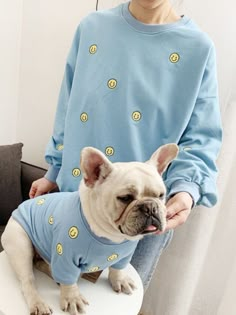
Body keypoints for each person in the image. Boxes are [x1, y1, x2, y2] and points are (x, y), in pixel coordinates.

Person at [29, 0, 222, 291]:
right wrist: (53, 171)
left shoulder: (198, 48)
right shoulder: (92, 28)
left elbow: (201, 138)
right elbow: (70, 108)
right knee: (60, 295)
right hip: (72, 203)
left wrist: (186, 191)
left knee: (116, 304)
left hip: (143, 223)